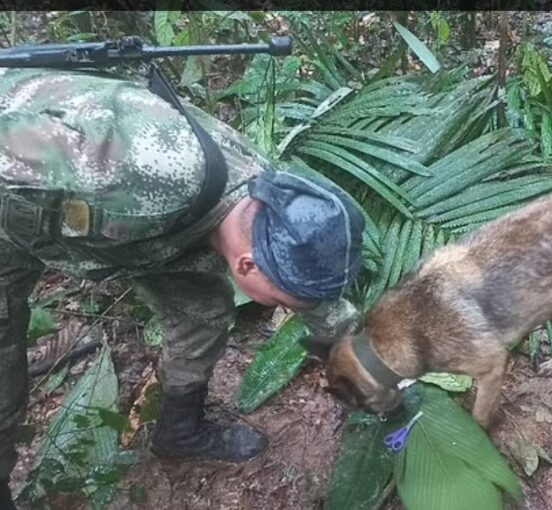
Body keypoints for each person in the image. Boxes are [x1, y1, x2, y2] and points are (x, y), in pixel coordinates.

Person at [0, 65, 365, 509]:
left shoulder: (267, 201)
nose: (290, 308)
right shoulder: (132, 181)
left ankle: (179, 431)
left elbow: (316, 297)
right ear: (247, 265)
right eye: (283, 303)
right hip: (15, 204)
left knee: (202, 313)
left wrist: (372, 362)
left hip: (135, 231)